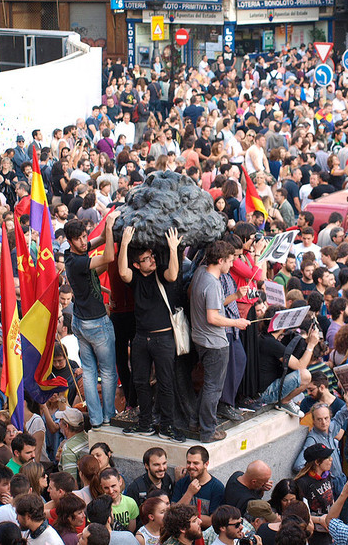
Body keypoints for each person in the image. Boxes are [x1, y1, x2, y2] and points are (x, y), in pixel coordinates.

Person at [118, 225, 185, 440]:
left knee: (166, 383)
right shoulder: (136, 278)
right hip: (140, 339)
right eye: (146, 259)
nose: (152, 260)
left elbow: (172, 275)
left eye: (152, 256)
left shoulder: (160, 273)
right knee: (140, 382)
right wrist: (124, 243)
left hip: (163, 338)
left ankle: (167, 426)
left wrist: (173, 248)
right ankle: (145, 423)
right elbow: (123, 272)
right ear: (137, 265)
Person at [63, 210, 121, 428]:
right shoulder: (77, 261)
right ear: (70, 241)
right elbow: (108, 258)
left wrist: (106, 230)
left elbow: (99, 241)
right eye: (78, 239)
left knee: (89, 372)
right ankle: (107, 416)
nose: (83, 242)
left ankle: (96, 419)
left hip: (80, 321)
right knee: (107, 372)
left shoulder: (72, 255)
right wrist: (109, 225)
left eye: (84, 236)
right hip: (95, 323)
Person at [189, 240, 250, 443]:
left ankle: (195, 422)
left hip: (200, 338)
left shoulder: (200, 273)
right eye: (230, 260)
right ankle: (208, 430)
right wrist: (236, 322)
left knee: (209, 385)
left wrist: (235, 296)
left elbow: (213, 305)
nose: (232, 265)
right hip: (214, 342)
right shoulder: (213, 283)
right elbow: (213, 317)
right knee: (213, 388)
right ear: (221, 260)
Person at [172, 446, 225, 530]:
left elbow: (212, 521)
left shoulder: (217, 488)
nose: (191, 466)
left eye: (196, 463)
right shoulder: (181, 483)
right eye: (188, 462)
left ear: (206, 464)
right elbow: (172, 514)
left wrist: (184, 516)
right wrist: (189, 493)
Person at [100, 467, 139, 533]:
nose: (111, 491)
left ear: (120, 482)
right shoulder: (99, 506)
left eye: (113, 486)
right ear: (101, 487)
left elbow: (131, 531)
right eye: (106, 488)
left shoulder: (130, 503)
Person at [57, 406, 89, 478]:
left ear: (66, 426)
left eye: (60, 420)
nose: (59, 423)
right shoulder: (88, 437)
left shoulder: (68, 449)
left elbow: (70, 480)